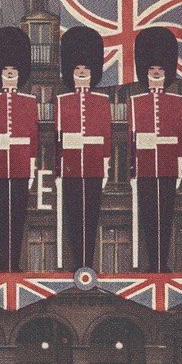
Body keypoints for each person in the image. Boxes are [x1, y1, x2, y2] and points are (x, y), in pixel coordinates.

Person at [129, 27, 182, 273]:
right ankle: (153, 263)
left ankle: (163, 263)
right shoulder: (136, 102)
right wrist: (133, 170)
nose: (155, 73)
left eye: (160, 70)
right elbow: (133, 140)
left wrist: (180, 168)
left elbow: (180, 138)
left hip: (167, 167)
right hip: (144, 169)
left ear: (166, 73)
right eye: (152, 70)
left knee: (166, 216)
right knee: (148, 217)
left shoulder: (176, 102)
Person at [55, 26, 111, 270]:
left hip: (94, 166)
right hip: (70, 168)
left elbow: (106, 136)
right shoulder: (62, 101)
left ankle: (88, 261)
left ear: (92, 72)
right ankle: (77, 262)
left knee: (92, 216)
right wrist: (58, 169)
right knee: (74, 217)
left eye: (85, 69)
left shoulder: (102, 101)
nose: (80, 73)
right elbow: (59, 140)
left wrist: (106, 165)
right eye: (77, 69)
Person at [0, 26, 38, 272]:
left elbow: (33, 138)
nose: (9, 74)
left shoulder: (28, 103)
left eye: (13, 70)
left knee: (18, 218)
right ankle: (2, 262)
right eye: (5, 70)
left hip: (19, 167)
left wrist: (32, 168)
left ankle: (13, 263)